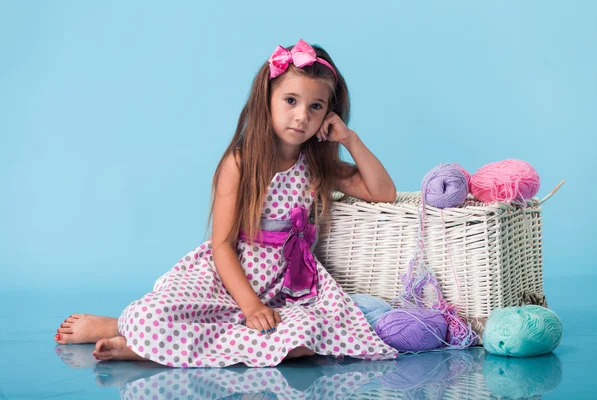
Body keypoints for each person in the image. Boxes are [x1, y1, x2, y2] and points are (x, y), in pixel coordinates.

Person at [55, 39, 399, 367]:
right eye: (290, 101)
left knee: (312, 339)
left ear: (328, 114)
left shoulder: (318, 166)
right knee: (153, 317)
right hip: (227, 280)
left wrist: (350, 139)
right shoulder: (240, 164)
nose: (302, 117)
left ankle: (157, 347)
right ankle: (124, 330)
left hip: (286, 289)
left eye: (315, 107)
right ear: (266, 101)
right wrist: (250, 306)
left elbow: (384, 192)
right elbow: (221, 246)